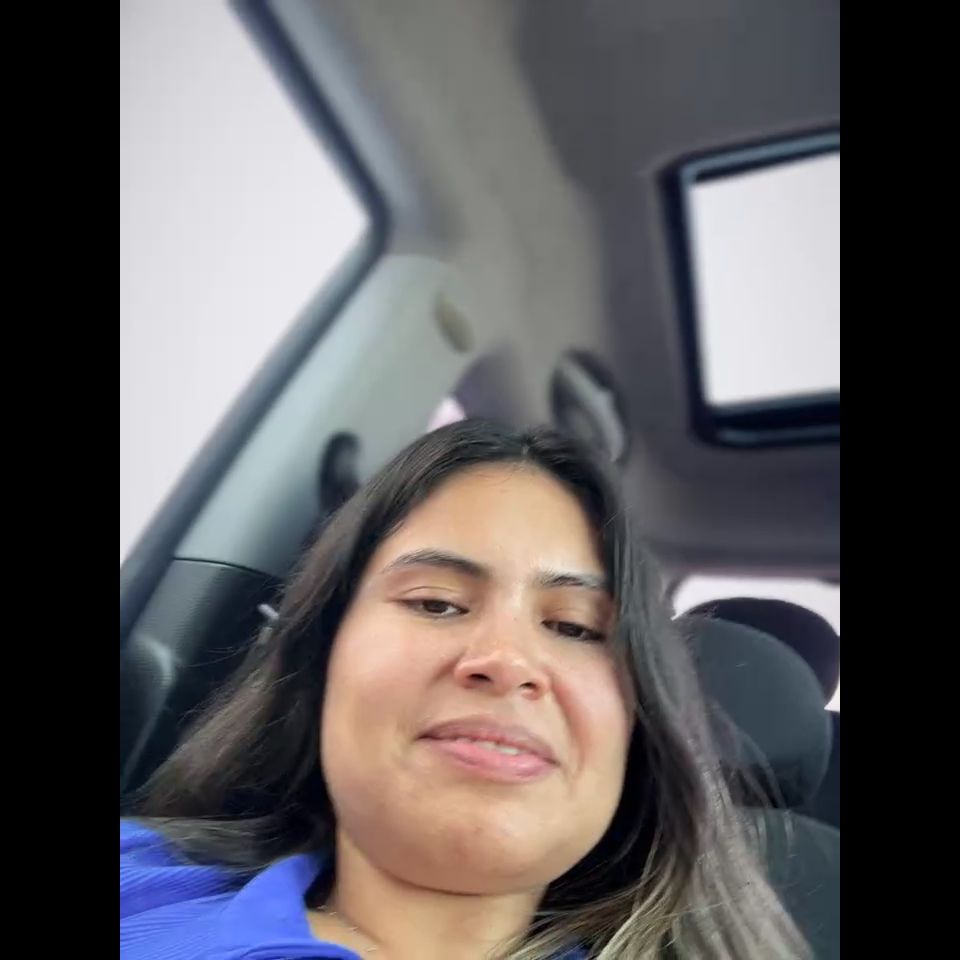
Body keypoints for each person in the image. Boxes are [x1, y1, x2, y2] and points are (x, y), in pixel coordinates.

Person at [120, 420, 807, 960]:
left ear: (638, 728)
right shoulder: (139, 877)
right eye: (436, 603)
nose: (506, 661)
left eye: (575, 627)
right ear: (323, 658)